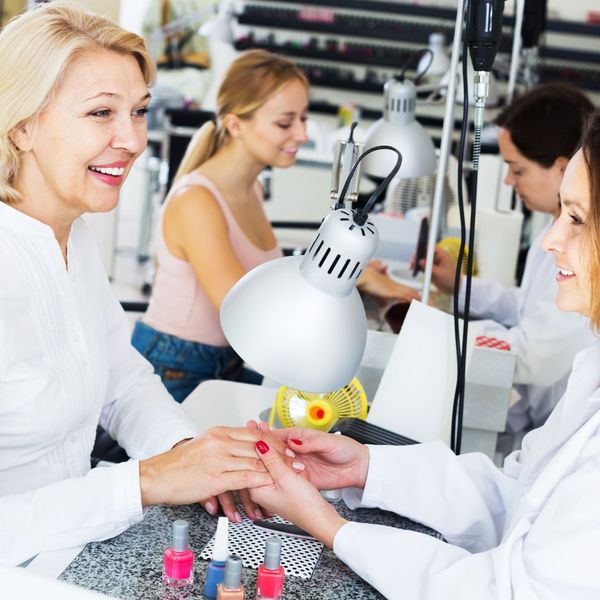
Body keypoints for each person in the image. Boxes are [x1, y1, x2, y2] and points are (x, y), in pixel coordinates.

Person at [248, 109, 600, 597]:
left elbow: (509, 590)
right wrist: (365, 466)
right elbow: (515, 499)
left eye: (577, 219)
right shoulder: (593, 373)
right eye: (561, 213)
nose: (549, 241)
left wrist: (330, 527)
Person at [0, 3, 287, 566]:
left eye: (138, 112)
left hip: (68, 549)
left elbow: (122, 381)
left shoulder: (71, 237)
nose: (132, 140)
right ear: (22, 126)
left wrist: (188, 453)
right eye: (101, 113)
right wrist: (146, 481)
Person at [133, 49, 420, 403]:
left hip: (227, 364)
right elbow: (243, 311)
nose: (301, 134)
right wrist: (357, 276)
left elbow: (261, 276)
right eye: (286, 123)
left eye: (303, 118)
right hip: (176, 370)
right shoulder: (196, 202)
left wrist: (337, 274)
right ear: (236, 125)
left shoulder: (249, 188)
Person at [421, 84, 595, 443]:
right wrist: (458, 288)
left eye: (517, 169)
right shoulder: (553, 231)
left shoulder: (583, 251)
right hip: (536, 427)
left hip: (551, 426)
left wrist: (436, 333)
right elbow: (524, 305)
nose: (508, 181)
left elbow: (533, 353)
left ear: (562, 168)